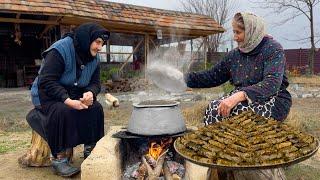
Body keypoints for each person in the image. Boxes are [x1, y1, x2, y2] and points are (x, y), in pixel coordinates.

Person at [184, 12, 291, 179]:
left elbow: (272, 83)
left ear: (251, 31)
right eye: (233, 32)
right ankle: (221, 165)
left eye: (238, 32)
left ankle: (248, 168)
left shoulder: (272, 49)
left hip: (272, 98)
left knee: (240, 113)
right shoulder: (235, 55)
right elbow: (212, 75)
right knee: (214, 109)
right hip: (241, 96)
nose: (235, 37)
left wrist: (238, 96)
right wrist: (184, 79)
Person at [30, 23, 110, 177]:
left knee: (95, 108)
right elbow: (47, 81)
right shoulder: (60, 49)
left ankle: (91, 150)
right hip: (46, 93)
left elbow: (95, 83)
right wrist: (67, 100)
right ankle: (59, 159)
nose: (100, 47)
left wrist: (90, 93)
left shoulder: (94, 58)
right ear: (87, 39)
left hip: (73, 92)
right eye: (98, 42)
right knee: (62, 110)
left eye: (103, 43)